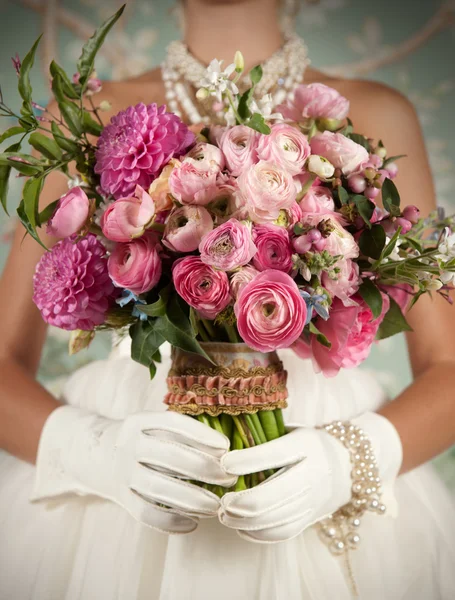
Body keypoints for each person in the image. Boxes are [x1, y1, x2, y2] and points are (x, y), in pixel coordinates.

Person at [0, 0, 454, 598]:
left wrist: (350, 462)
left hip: (315, 450)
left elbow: (448, 366)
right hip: (135, 462)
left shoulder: (376, 114)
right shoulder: (86, 117)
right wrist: (91, 453)